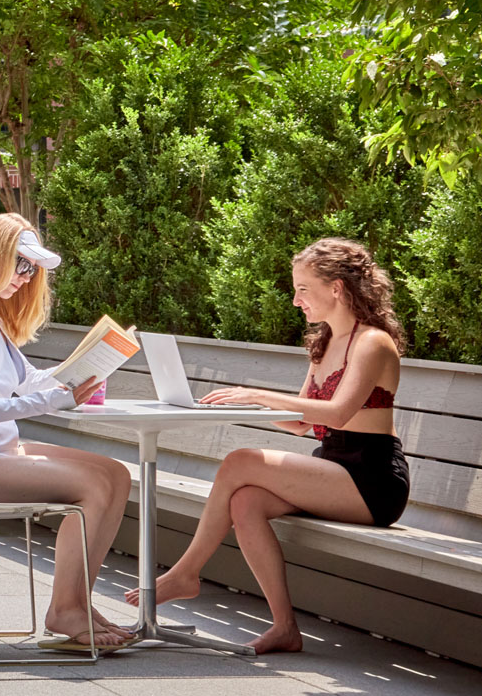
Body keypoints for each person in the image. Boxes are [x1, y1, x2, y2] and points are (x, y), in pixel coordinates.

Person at [128, 237, 409, 654]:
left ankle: (186, 573)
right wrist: (237, 405)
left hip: (371, 478)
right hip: (334, 466)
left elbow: (336, 414)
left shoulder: (372, 341)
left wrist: (258, 393)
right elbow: (299, 424)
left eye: (303, 289)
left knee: (240, 461)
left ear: (336, 288)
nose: (296, 300)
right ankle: (284, 628)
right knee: (246, 502)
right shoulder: (325, 342)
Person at [0, 215, 131, 649]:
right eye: (21, 264)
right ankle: (64, 610)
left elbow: (29, 380)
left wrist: (79, 374)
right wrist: (53, 401)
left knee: (116, 474)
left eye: (32, 269)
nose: (26, 276)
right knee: (92, 486)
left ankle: (79, 601)